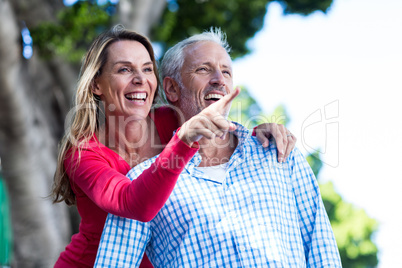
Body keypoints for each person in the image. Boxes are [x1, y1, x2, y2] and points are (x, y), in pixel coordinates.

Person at [51, 25, 296, 267]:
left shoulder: (171, 119)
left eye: (147, 69)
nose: (140, 79)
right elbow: (133, 204)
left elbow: (219, 137)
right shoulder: (83, 154)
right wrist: (183, 141)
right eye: (124, 69)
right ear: (96, 85)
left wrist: (259, 135)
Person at [95, 28, 342, 267]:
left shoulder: (279, 153)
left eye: (226, 72)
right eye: (204, 69)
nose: (219, 80)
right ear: (171, 89)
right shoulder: (143, 182)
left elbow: (321, 248)